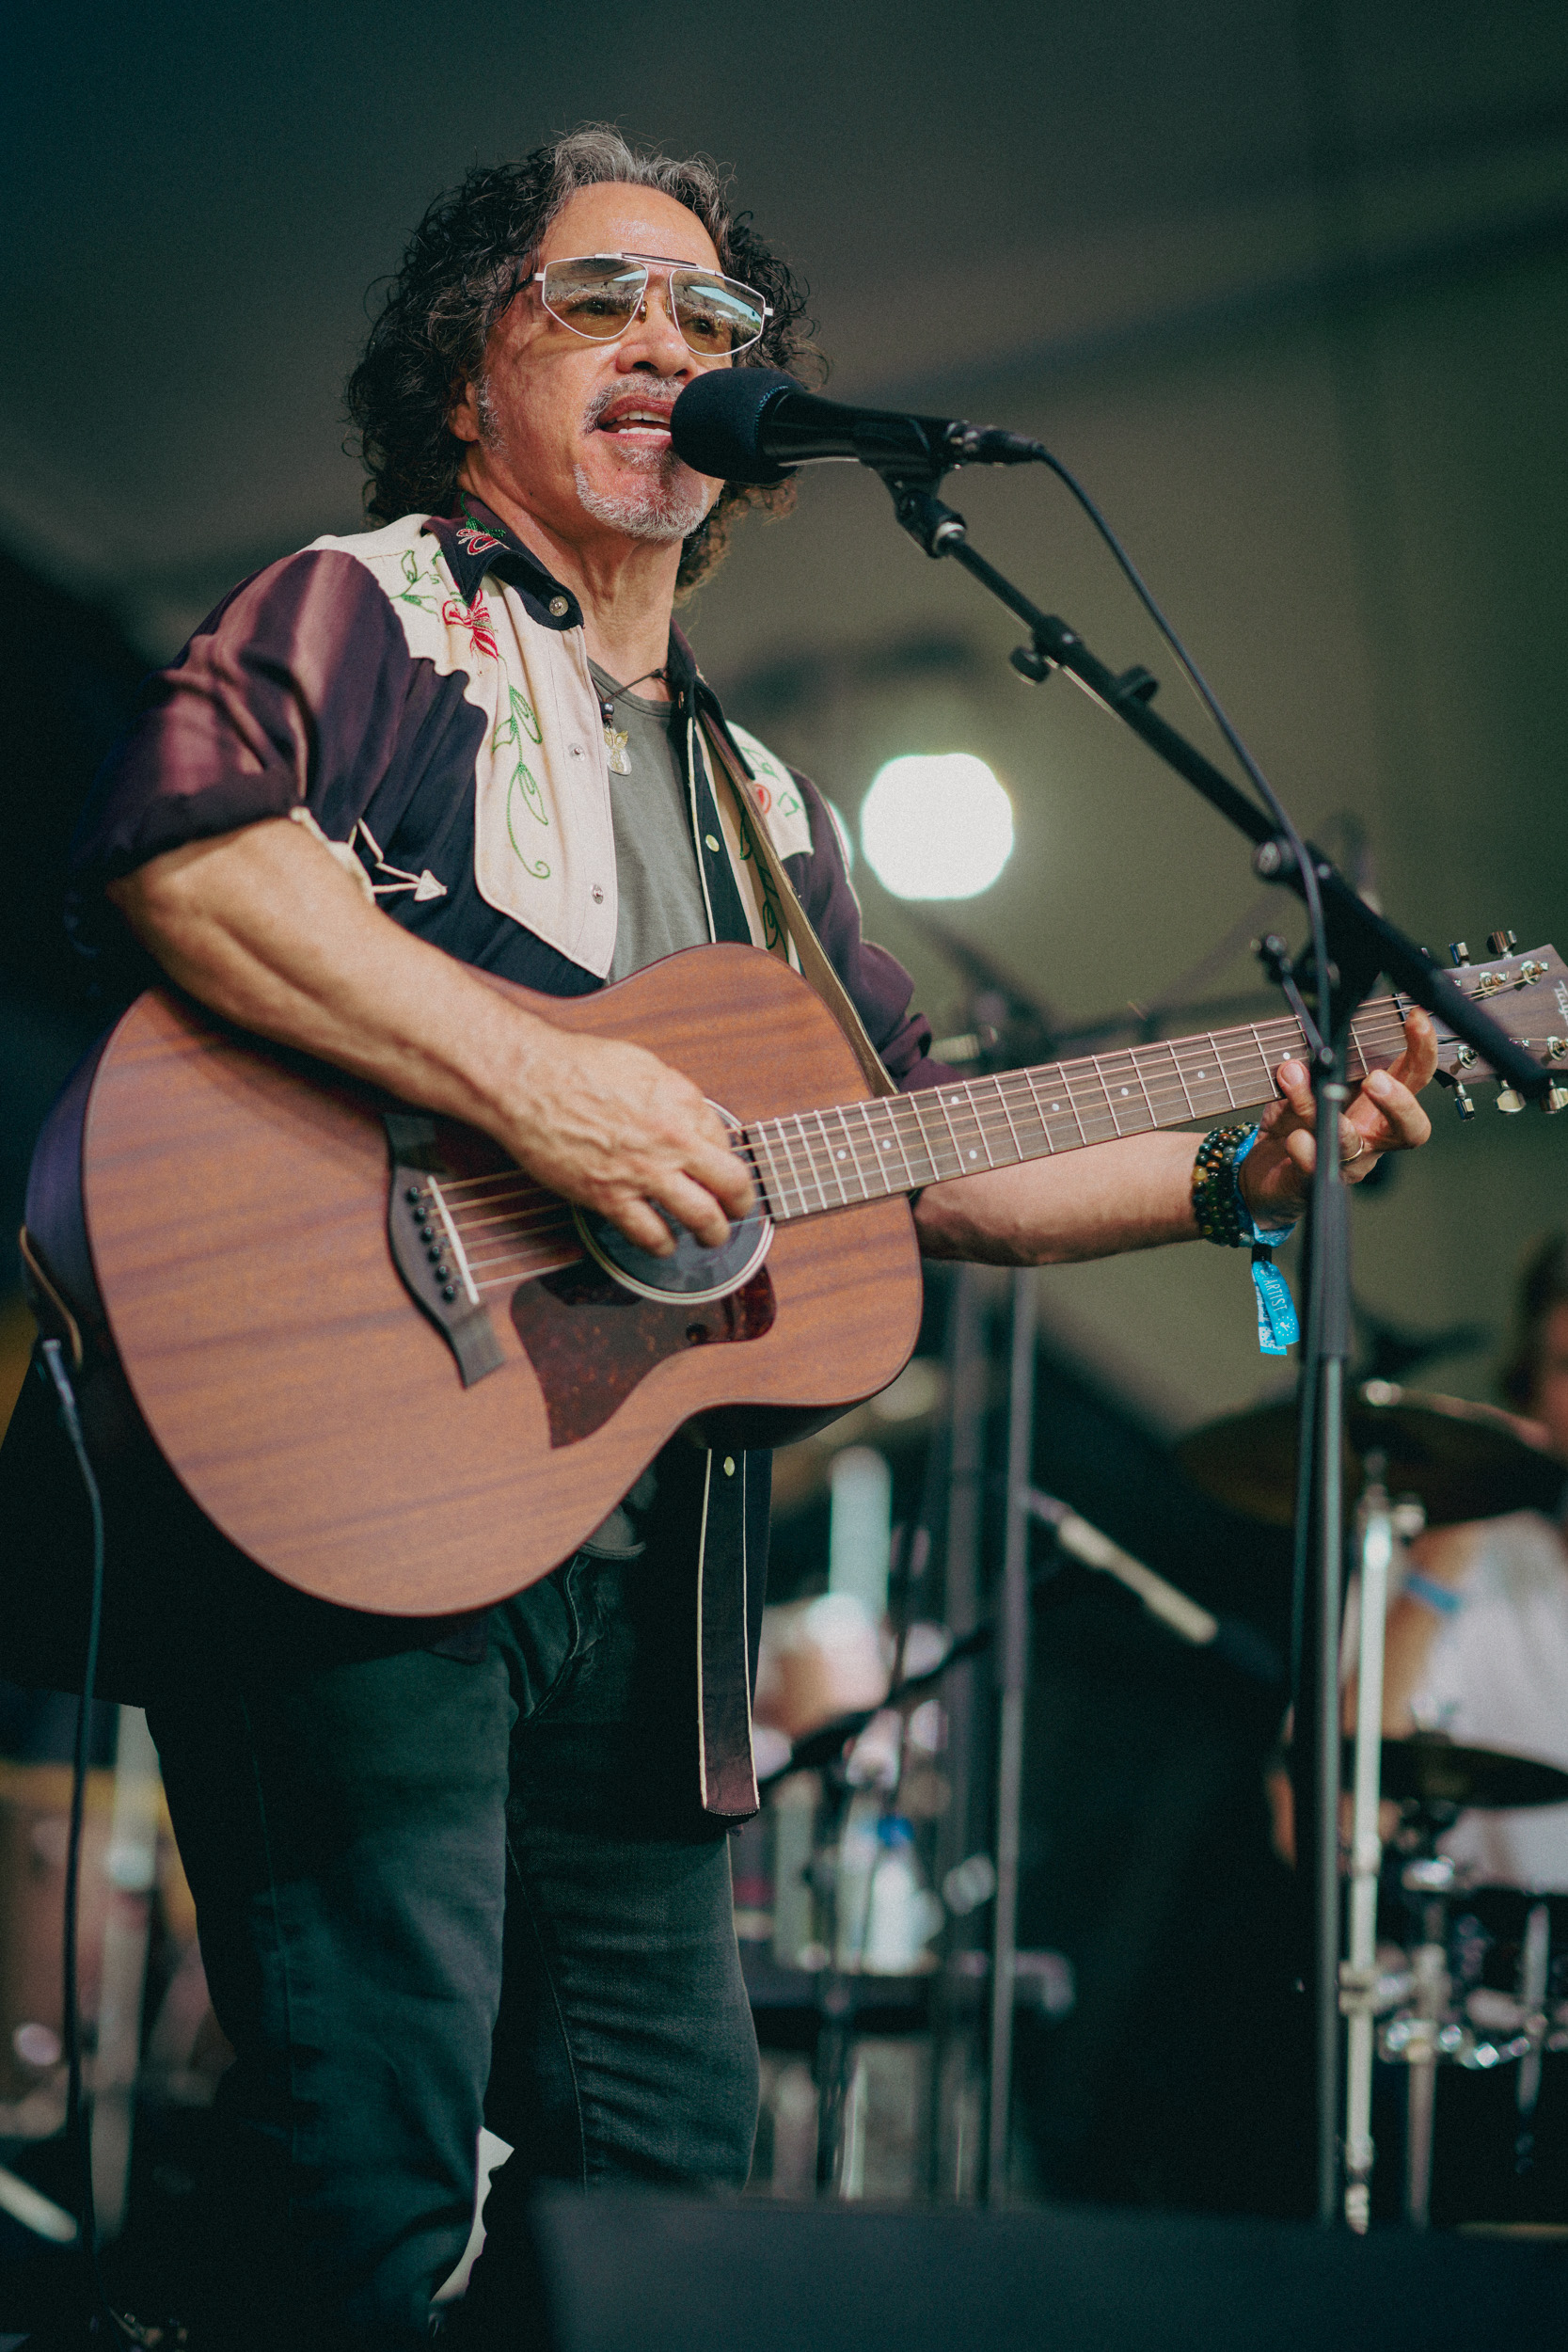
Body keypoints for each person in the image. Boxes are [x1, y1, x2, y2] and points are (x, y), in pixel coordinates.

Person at [9, 126, 1435, 2347]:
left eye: (712, 320)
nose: (667, 345)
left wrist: (1226, 1172)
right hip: (361, 1479)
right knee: (365, 2149)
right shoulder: (377, 606)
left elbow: (917, 1154)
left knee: (663, 2189)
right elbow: (193, 857)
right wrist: (541, 1086)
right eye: (597, 301)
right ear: (463, 379)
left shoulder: (769, 809)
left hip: (642, 1572)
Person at [1380, 1232, 1568, 1889]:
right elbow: (1323, 1829)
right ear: (1530, 1388)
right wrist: (1432, 1579)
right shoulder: (1460, 1546)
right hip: (1452, 1980)